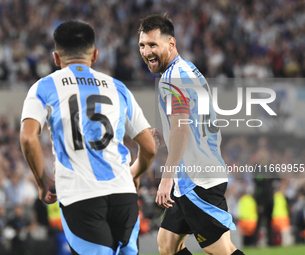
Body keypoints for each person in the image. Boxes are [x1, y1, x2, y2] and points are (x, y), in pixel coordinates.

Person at [20, 20, 155, 255]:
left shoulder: (43, 87)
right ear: (95, 55)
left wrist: (42, 181)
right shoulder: (118, 87)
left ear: (56, 58)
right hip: (123, 194)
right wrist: (135, 173)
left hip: (80, 195)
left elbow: (28, 138)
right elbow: (150, 147)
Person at [138, 14, 244, 255]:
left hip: (196, 180)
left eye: (153, 45)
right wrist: (166, 133)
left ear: (171, 43)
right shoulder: (188, 70)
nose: (146, 52)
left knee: (221, 250)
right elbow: (195, 121)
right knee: (167, 244)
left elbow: (182, 127)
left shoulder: (172, 79)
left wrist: (166, 177)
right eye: (142, 45)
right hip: (196, 175)